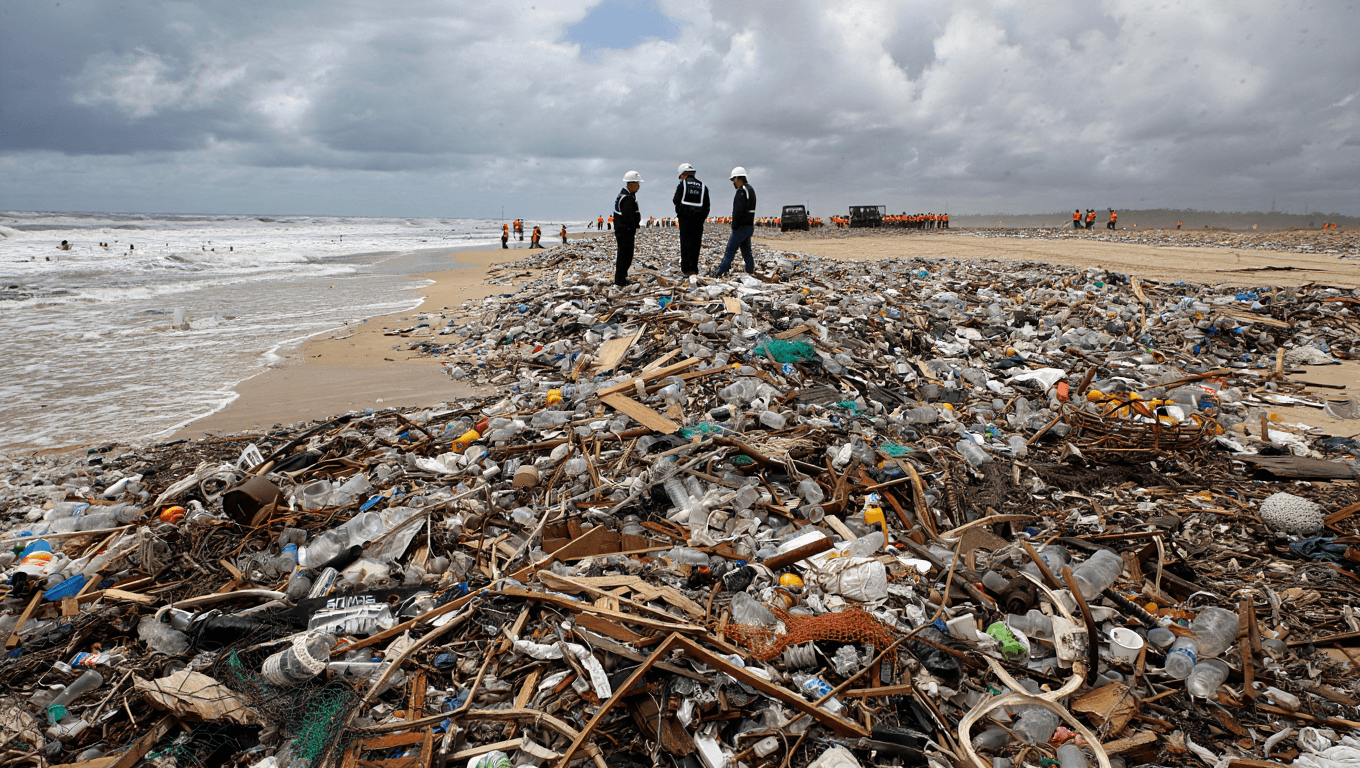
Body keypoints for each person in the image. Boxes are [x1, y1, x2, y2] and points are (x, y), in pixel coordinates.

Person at [712, 167, 757, 277]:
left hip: (741, 227)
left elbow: (738, 211)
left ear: (738, 178)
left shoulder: (741, 191)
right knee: (746, 251)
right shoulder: (750, 189)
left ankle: (720, 271)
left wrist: (734, 226)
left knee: (730, 250)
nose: (733, 183)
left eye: (733, 180)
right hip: (749, 226)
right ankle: (750, 270)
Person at [673, 163, 711, 276]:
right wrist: (702, 217)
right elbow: (707, 205)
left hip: (685, 219)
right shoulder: (703, 186)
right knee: (696, 243)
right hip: (698, 220)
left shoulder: (682, 185)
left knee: (685, 243)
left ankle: (686, 269)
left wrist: (680, 213)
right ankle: (694, 268)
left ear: (683, 174)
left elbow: (676, 200)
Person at [613, 171, 643, 286]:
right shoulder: (627, 198)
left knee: (625, 255)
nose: (639, 186)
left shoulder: (626, 196)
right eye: (637, 183)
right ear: (630, 184)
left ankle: (622, 278)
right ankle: (620, 280)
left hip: (624, 230)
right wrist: (633, 226)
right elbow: (628, 216)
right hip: (625, 231)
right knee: (625, 255)